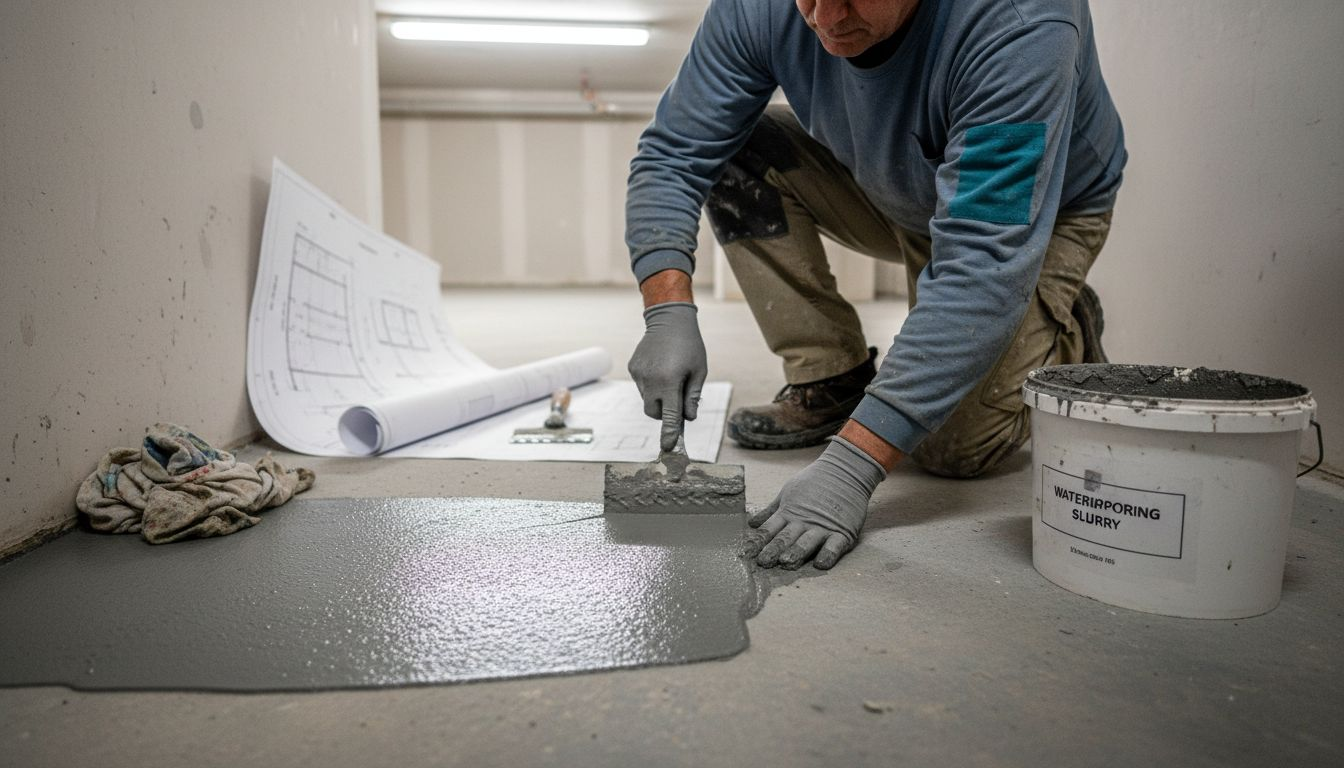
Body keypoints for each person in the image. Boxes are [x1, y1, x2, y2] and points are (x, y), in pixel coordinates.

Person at [625, 0, 1126, 571]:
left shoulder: (1020, 22)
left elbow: (983, 259)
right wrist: (667, 310)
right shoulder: (757, 5)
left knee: (952, 450)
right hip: (890, 181)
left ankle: (1058, 324)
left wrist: (853, 466)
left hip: (1033, 212)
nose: (825, 17)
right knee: (735, 152)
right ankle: (830, 376)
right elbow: (673, 155)